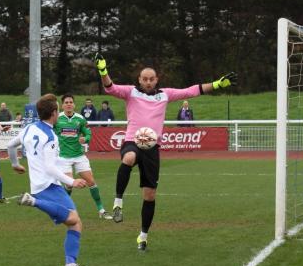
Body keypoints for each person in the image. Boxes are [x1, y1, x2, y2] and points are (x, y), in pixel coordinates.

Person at [94, 54, 237, 251]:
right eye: (144, 79)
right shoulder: (130, 93)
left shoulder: (165, 94)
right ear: (139, 80)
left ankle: (143, 236)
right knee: (129, 157)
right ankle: (118, 202)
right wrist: (103, 71)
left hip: (152, 148)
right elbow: (110, 87)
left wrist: (218, 84)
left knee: (150, 195)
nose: (148, 82)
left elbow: (192, 91)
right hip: (133, 141)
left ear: (156, 80)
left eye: (151, 79)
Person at [7, 94, 93, 266]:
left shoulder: (29, 128)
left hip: (42, 184)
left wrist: (15, 164)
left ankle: (70, 265)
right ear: (54, 113)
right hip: (48, 185)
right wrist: (72, 181)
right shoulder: (51, 136)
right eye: (58, 109)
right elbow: (49, 167)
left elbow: (10, 145)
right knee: (73, 220)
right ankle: (33, 201)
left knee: (75, 222)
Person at [55, 94, 112, 220]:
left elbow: (88, 133)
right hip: (63, 157)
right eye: (66, 102)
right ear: (62, 105)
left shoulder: (80, 119)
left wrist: (85, 138)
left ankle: (101, 210)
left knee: (91, 182)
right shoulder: (57, 119)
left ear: (74, 105)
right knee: (69, 185)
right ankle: (62, 209)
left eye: (71, 102)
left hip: (79, 156)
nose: (69, 104)